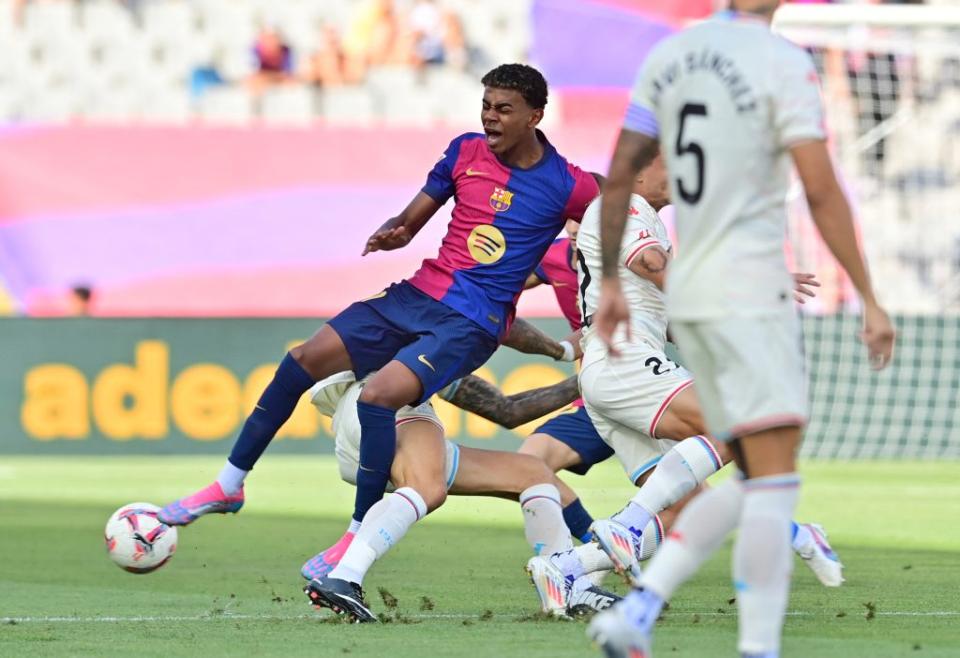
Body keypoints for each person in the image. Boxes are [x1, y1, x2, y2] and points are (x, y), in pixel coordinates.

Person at [157, 64, 600, 555]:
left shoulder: (568, 185)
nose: (490, 118)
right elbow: (412, 220)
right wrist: (396, 232)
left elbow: (625, 212)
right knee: (303, 359)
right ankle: (229, 484)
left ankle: (356, 535)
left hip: (470, 323)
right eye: (486, 106)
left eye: (503, 109)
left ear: (536, 116)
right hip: (417, 295)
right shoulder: (465, 152)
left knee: (379, 397)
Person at [585, 3, 895, 657]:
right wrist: (867, 293)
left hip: (693, 299)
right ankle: (749, 644)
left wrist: (610, 282)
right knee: (773, 479)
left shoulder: (671, 54)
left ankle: (638, 599)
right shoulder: (782, 61)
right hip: (744, 291)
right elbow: (820, 186)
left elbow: (616, 175)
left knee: (755, 470)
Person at [525, 154, 841, 620]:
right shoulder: (625, 207)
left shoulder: (634, 216)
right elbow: (654, 265)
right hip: (624, 359)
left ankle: (566, 568)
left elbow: (671, 314)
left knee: (683, 509)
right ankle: (629, 526)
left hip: (614, 367)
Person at [302, 368, 620, 621]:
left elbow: (506, 410)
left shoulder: (454, 312)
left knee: (532, 473)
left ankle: (566, 579)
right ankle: (344, 576)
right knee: (426, 487)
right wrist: (578, 365)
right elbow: (508, 406)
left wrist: (578, 368)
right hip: (386, 403)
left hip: (365, 414)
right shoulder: (467, 313)